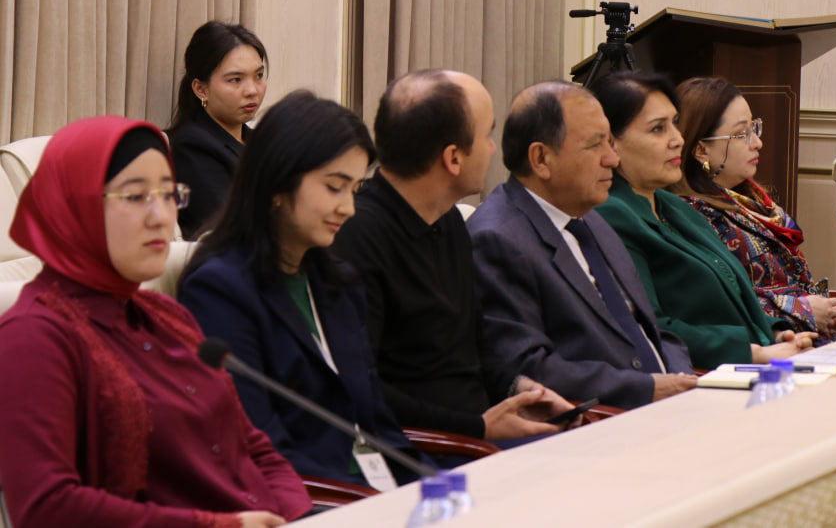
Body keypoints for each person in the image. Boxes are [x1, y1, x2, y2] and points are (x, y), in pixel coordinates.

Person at [0, 116, 310, 528]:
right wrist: (221, 525)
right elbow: (47, 508)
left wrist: (293, 514)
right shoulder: (34, 337)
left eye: (168, 195)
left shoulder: (169, 317)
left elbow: (251, 444)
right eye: (135, 197)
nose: (161, 216)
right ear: (73, 206)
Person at [179, 90, 426, 489]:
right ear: (277, 184)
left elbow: (378, 422)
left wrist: (435, 488)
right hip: (316, 503)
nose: (348, 207)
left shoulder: (339, 282)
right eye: (334, 187)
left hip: (377, 494)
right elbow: (259, 446)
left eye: (355, 189)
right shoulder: (220, 289)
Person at [332, 69, 576, 442]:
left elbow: (474, 351)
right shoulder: (355, 236)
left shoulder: (448, 221)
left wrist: (520, 388)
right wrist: (476, 429)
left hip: (481, 435)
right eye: (487, 136)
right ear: (453, 158)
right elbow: (361, 389)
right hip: (429, 452)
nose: (493, 149)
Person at [469, 81, 697, 410]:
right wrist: (645, 388)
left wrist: (681, 378)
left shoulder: (590, 218)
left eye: (610, 142)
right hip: (597, 426)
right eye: (595, 146)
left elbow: (650, 329)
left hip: (668, 407)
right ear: (541, 158)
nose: (612, 159)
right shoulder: (497, 239)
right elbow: (530, 370)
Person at [590, 71, 817, 369]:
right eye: (658, 129)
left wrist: (775, 332)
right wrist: (753, 353)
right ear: (611, 144)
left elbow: (732, 291)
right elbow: (650, 328)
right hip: (697, 382)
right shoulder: (612, 214)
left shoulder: (673, 205)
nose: (678, 139)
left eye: (674, 123)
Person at [672, 76, 836, 342]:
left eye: (754, 128)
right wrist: (803, 309)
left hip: (806, 343)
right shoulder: (691, 215)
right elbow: (719, 301)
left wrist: (823, 309)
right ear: (701, 150)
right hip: (764, 352)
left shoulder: (754, 202)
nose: (757, 143)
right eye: (742, 134)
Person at [167, 20, 268, 238]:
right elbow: (228, 230)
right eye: (236, 80)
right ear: (201, 89)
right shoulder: (193, 146)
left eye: (259, 76)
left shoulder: (261, 141)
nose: (252, 90)